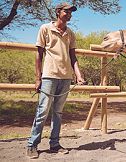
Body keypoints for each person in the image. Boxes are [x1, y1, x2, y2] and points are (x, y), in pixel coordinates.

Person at [26, 2, 85, 159]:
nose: (69, 14)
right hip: (49, 76)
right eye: (67, 11)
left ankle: (55, 144)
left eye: (71, 12)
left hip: (65, 78)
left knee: (58, 113)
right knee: (42, 111)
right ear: (58, 12)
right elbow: (39, 54)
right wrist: (37, 78)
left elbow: (73, 57)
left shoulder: (70, 33)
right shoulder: (45, 28)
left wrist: (78, 75)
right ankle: (32, 145)